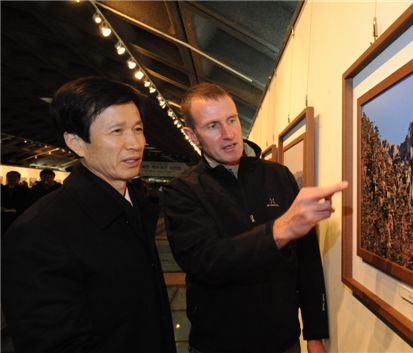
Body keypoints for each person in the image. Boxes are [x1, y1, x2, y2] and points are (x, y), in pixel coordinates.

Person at [162, 83, 347, 353]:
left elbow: (306, 258)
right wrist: (280, 230)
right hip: (219, 344)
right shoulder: (182, 191)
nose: (228, 134)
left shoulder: (279, 176)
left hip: (283, 341)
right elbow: (207, 261)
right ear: (192, 134)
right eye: (213, 126)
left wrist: (315, 333)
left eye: (231, 120)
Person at [1, 77, 176, 353]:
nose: (135, 143)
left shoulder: (137, 208)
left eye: (138, 129)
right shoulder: (39, 233)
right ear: (76, 142)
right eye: (117, 131)